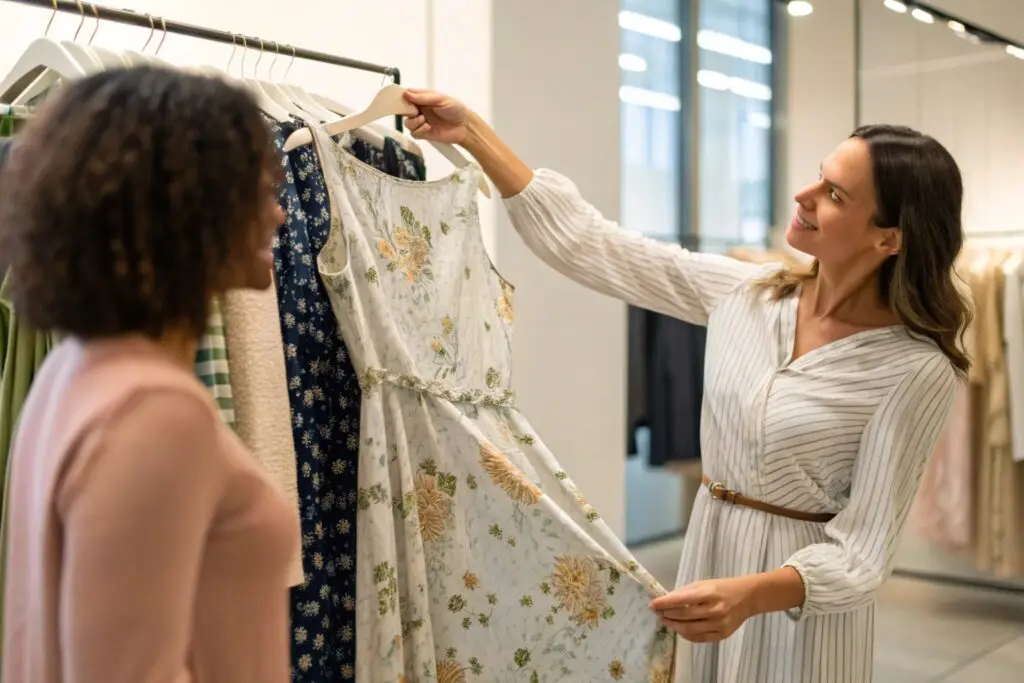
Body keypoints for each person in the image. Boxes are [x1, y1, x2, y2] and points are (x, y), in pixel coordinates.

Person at [400, 89, 967, 683]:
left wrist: (751, 594)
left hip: (801, 608)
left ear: (889, 239)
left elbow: (864, 553)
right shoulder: (747, 294)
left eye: (835, 195)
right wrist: (472, 133)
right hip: (710, 558)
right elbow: (592, 244)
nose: (804, 196)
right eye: (819, 176)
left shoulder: (914, 369)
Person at [0, 67, 296, 682]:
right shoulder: (154, 411)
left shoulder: (70, 370)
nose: (279, 215)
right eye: (257, 191)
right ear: (182, 206)